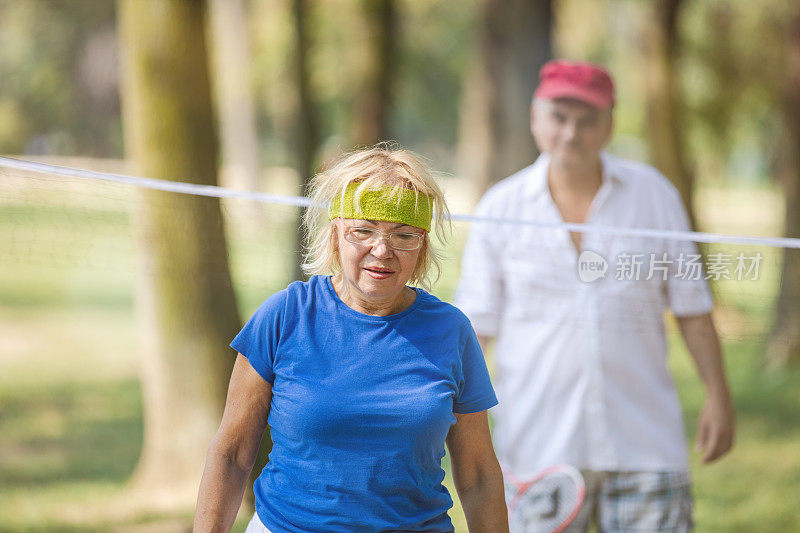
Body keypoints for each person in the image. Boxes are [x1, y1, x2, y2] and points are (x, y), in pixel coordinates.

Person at [455, 61, 735, 532]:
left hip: (646, 442)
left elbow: (691, 306)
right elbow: (475, 328)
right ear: (535, 118)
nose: (571, 133)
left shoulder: (654, 196)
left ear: (610, 123)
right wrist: (449, 419)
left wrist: (718, 395)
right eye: (559, 117)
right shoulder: (501, 208)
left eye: (587, 120)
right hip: (536, 445)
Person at [194, 145, 509, 533]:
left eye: (403, 235)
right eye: (363, 230)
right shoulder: (284, 316)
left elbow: (478, 474)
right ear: (336, 233)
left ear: (423, 245)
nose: (382, 250)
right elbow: (232, 454)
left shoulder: (452, 330)